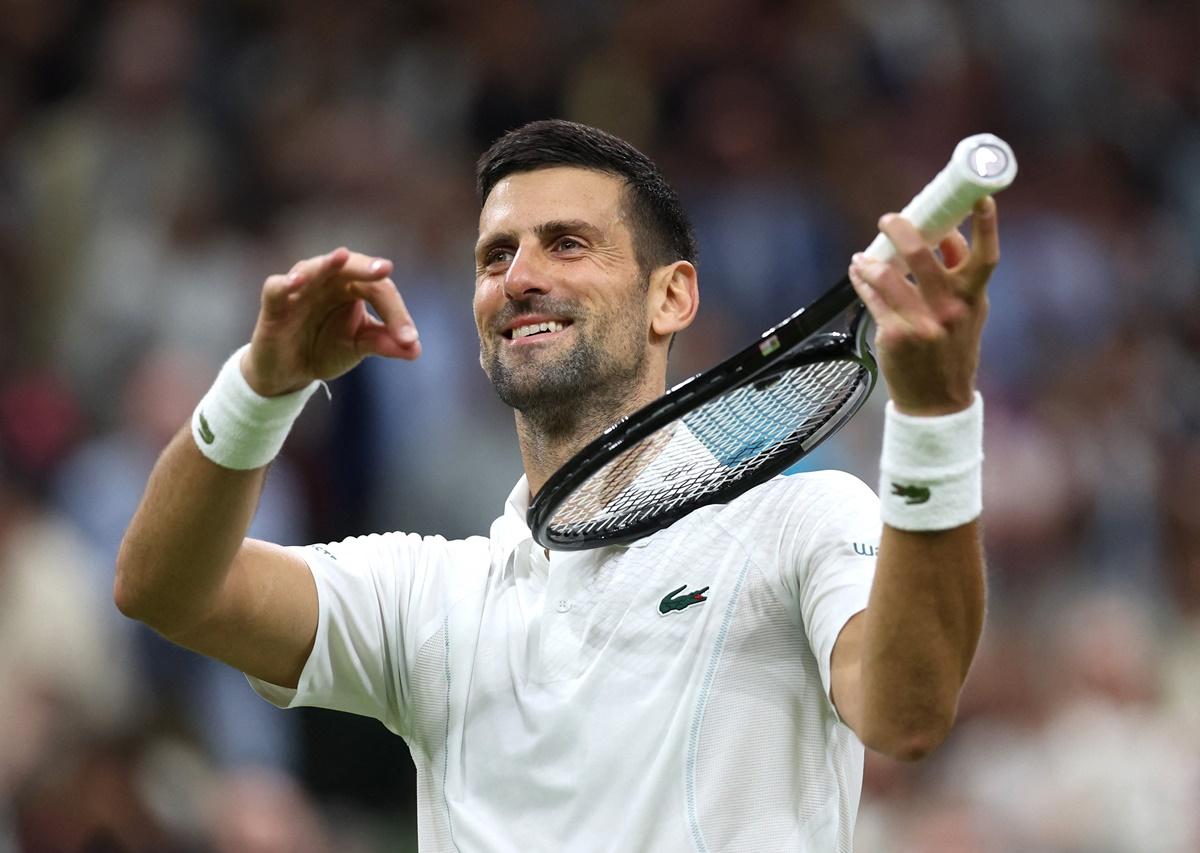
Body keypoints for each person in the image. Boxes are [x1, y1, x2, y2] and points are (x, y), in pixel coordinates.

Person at [115, 120, 996, 851]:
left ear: (671, 298)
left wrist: (935, 422)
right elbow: (165, 587)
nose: (520, 277)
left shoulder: (800, 516)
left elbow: (907, 711)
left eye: (566, 244)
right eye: (495, 255)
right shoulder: (431, 597)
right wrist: (261, 387)